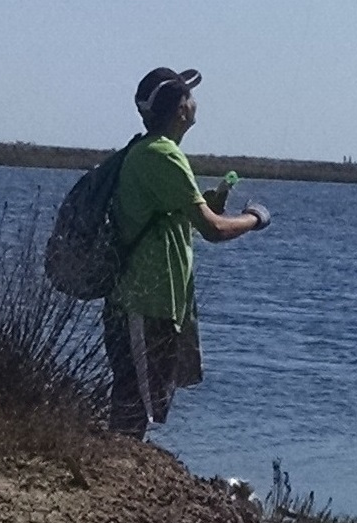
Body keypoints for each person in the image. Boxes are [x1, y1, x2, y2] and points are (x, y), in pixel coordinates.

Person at [102, 66, 270, 437]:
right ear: (180, 109)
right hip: (141, 302)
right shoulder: (161, 155)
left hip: (152, 303)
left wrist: (208, 203)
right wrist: (254, 218)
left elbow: (179, 214)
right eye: (188, 96)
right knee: (133, 403)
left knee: (138, 402)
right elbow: (213, 230)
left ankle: (119, 467)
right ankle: (114, 473)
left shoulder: (154, 152)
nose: (194, 103)